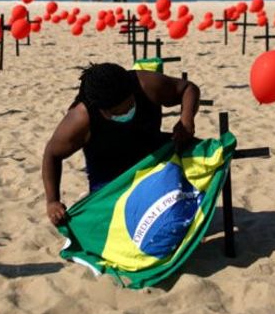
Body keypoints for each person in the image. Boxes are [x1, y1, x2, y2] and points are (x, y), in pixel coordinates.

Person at [42, 63, 200, 226]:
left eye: (130, 106)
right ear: (101, 110)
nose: (126, 113)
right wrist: (52, 201)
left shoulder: (146, 85)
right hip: (111, 180)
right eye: (118, 112)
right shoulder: (81, 119)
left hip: (153, 159)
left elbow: (188, 89)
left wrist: (186, 119)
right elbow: (52, 154)